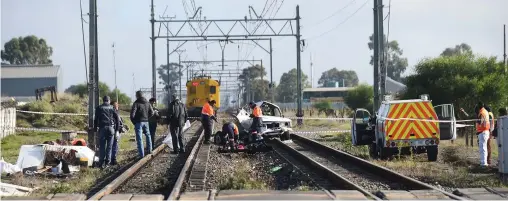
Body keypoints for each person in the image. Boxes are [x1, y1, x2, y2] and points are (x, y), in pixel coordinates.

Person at [93, 96, 120, 168]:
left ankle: (101, 163)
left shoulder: (99, 108)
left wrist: (95, 130)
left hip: (102, 128)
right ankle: (107, 163)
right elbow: (117, 119)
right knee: (109, 146)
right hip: (111, 128)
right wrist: (117, 130)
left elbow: (95, 120)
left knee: (102, 146)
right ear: (109, 100)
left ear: (103, 100)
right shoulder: (112, 108)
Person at [130, 91, 154, 158]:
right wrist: (147, 118)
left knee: (139, 138)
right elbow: (152, 112)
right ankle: (150, 150)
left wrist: (134, 122)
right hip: (146, 122)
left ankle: (141, 155)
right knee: (148, 135)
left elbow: (132, 115)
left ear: (137, 96)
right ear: (142, 95)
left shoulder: (136, 103)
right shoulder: (148, 103)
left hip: (138, 122)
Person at [110, 101, 128, 165]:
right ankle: (113, 160)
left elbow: (119, 121)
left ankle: (111, 159)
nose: (117, 106)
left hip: (114, 130)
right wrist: (118, 130)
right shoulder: (114, 112)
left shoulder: (114, 111)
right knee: (114, 145)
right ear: (114, 105)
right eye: (116, 105)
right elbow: (118, 121)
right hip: (114, 130)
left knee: (113, 145)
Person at [475, 101, 490, 167]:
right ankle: (484, 162)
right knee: (484, 148)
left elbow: (480, 121)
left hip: (483, 132)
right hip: (485, 131)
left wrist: (476, 120)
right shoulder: (485, 111)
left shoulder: (482, 112)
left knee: (483, 148)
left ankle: (483, 164)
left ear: (479, 106)